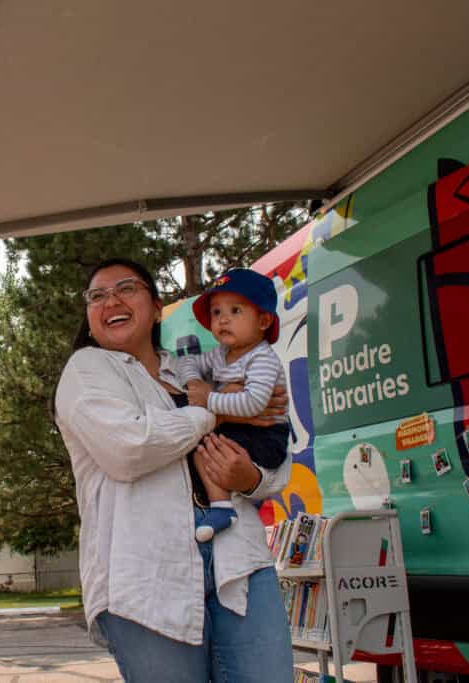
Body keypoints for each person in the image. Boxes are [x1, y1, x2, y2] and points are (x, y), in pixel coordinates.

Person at [55, 258, 294, 682]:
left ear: (157, 307)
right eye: (97, 295)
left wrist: (250, 478)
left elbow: (274, 459)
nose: (111, 300)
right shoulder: (87, 371)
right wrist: (213, 412)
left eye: (126, 288)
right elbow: (130, 448)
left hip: (238, 558)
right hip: (146, 572)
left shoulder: (202, 368)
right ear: (89, 317)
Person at [178, 268, 290, 542]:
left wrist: (210, 399)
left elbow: (253, 404)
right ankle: (222, 507)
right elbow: (188, 363)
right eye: (216, 312)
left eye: (235, 311)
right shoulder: (220, 354)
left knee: (206, 448)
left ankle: (223, 505)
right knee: (202, 450)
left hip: (265, 437)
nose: (223, 319)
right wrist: (193, 381)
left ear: (263, 320)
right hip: (241, 432)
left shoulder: (262, 358)